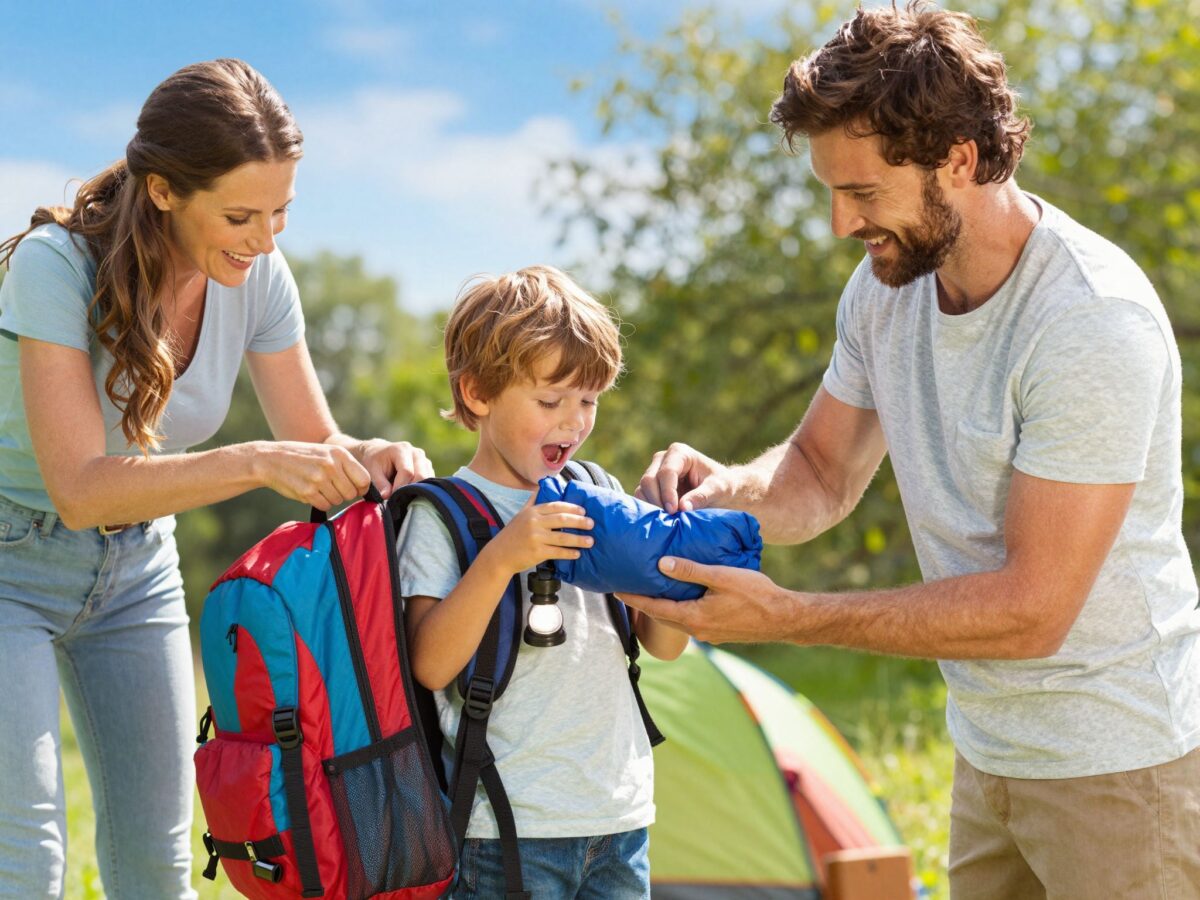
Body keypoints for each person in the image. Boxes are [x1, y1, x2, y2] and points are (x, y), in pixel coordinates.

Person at [621, 4, 1200, 898]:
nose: (840, 225)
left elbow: (1033, 610)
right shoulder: (886, 288)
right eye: (831, 193)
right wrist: (723, 491)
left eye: (861, 194)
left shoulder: (1087, 322)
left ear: (958, 160)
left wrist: (790, 617)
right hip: (987, 752)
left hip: (1119, 768)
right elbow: (819, 473)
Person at [0, 59, 432, 898]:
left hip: (135, 573)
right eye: (241, 214)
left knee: (161, 856)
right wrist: (253, 462)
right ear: (162, 190)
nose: (266, 239)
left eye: (280, 213)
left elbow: (314, 446)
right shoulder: (56, 267)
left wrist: (368, 454)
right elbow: (80, 489)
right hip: (9, 557)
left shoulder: (258, 276)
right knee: (29, 848)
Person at [396, 265, 687, 899]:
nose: (573, 422)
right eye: (550, 402)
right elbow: (430, 663)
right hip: (503, 830)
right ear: (477, 393)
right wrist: (503, 557)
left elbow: (662, 646)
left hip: (620, 815)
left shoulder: (598, 494)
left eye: (588, 401)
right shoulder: (440, 514)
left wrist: (670, 565)